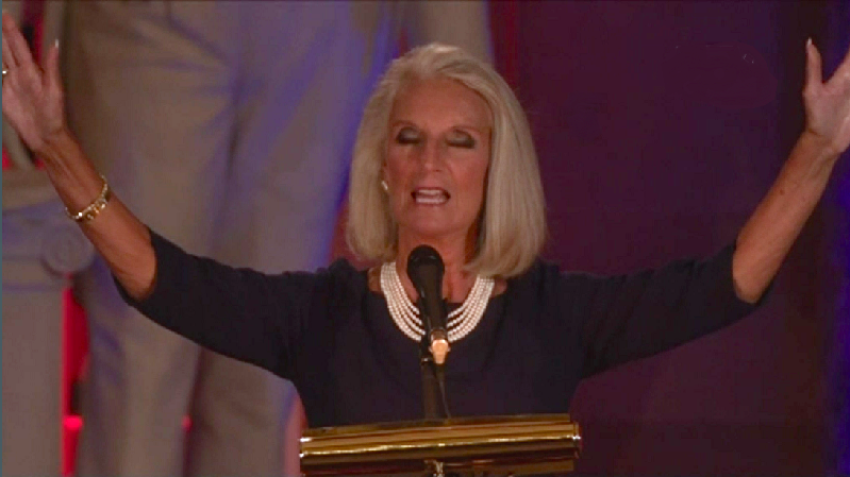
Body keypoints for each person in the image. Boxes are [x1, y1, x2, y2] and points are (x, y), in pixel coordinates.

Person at [4, 9, 850, 460]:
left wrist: (816, 151)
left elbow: (727, 283)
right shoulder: (324, 315)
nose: (431, 162)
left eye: (460, 141)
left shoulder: (551, 314)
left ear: (495, 166)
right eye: (409, 138)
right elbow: (163, 278)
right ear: (381, 166)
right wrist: (56, 145)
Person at [57, 2, 491, 476]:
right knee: (140, 354)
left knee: (262, 373)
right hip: (157, 23)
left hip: (325, 35)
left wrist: (465, 94)